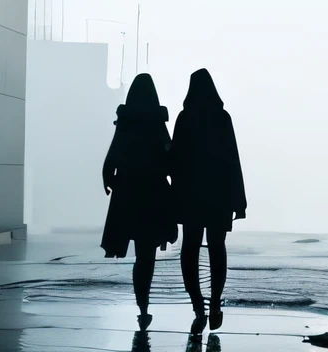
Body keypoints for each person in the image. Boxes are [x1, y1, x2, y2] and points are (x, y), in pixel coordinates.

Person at [170, 69, 246, 335]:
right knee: (217, 247)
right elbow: (232, 160)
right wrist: (240, 200)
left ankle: (198, 307)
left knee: (189, 247)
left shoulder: (185, 118)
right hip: (219, 196)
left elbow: (174, 162)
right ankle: (215, 303)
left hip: (191, 196)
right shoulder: (222, 118)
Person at [101, 73, 178, 331]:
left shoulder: (126, 122)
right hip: (153, 196)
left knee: (138, 255)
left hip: (128, 196)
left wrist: (109, 178)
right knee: (147, 255)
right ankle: (144, 305)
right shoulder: (157, 123)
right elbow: (170, 160)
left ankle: (142, 306)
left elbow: (113, 155)